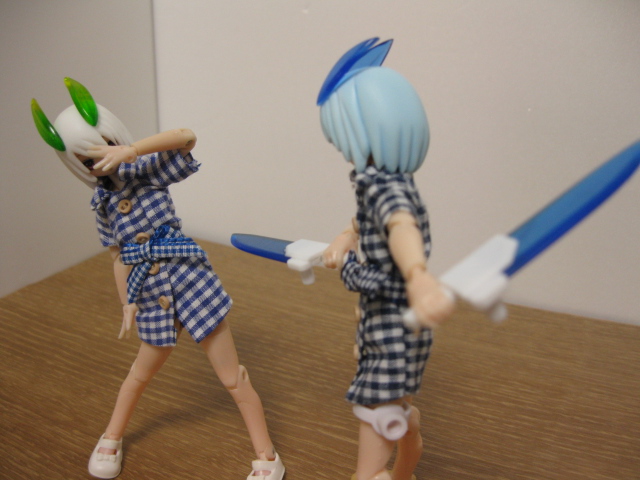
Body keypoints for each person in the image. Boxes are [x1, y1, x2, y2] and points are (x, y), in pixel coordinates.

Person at [31, 78, 285, 480]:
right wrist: (127, 304)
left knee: (232, 378)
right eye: (86, 160)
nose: (100, 160)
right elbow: (118, 256)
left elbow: (186, 137)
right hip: (150, 295)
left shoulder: (146, 171)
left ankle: (267, 456)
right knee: (138, 374)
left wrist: (131, 150)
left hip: (192, 282)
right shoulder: (103, 205)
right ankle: (111, 437)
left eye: (104, 145)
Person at [318, 39, 455, 480]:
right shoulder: (387, 181)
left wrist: (417, 275)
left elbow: (400, 226)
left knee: (377, 417)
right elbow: (373, 221)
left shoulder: (383, 188)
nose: (342, 149)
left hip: (393, 328)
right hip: (394, 326)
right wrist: (344, 237)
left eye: (341, 137)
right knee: (397, 411)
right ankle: (404, 465)